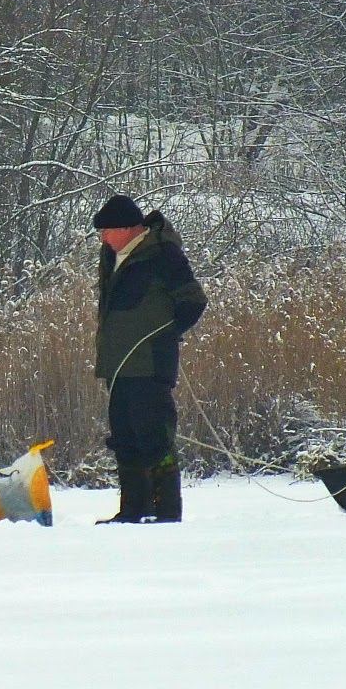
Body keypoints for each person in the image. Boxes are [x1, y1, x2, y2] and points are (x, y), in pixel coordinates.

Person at [92, 194, 207, 523]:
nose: (103, 238)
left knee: (155, 439)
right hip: (118, 367)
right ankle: (133, 511)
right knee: (125, 440)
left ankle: (166, 511)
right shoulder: (109, 257)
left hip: (150, 364)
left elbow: (193, 301)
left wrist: (166, 335)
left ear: (128, 228)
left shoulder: (162, 253)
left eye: (107, 231)